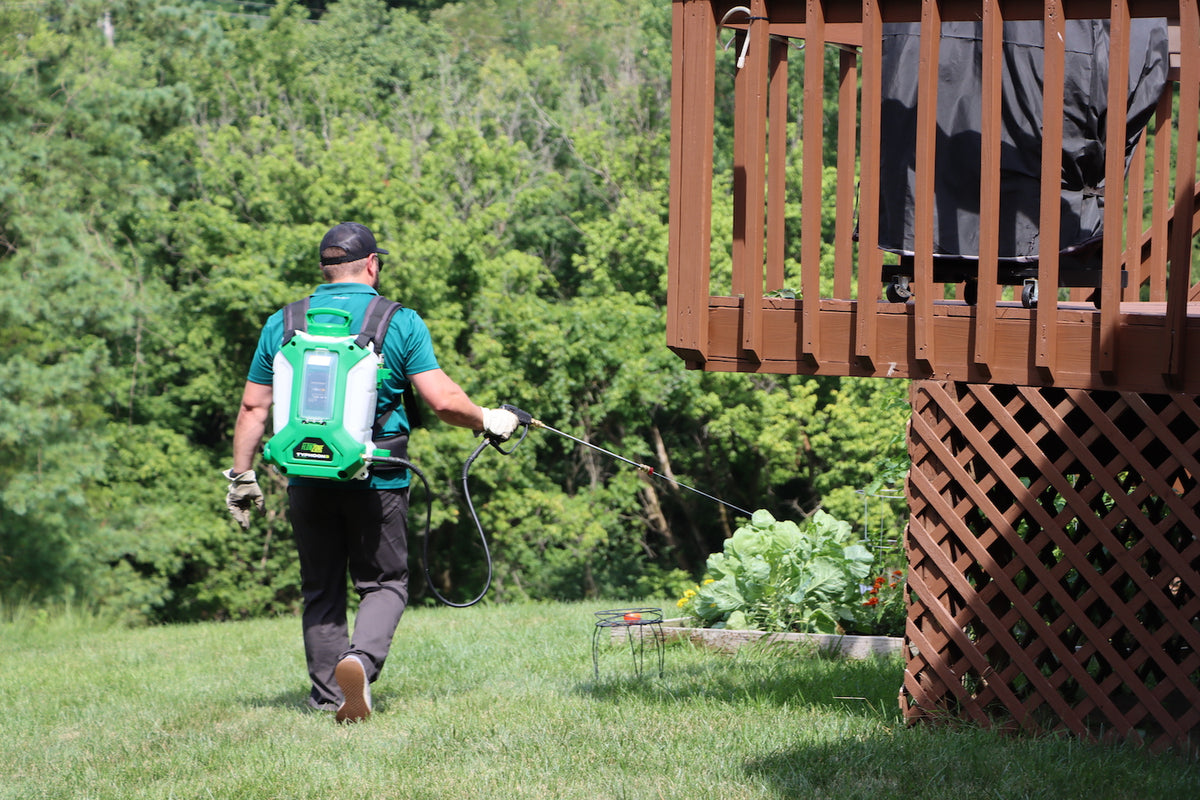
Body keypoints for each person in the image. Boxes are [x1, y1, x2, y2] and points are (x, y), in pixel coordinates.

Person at [221, 221, 521, 723]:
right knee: (384, 583)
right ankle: (360, 659)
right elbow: (443, 400)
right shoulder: (397, 321)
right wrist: (490, 420)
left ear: (325, 269)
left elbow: (254, 408)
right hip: (375, 475)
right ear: (373, 264)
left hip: (306, 476)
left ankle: (327, 699)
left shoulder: (285, 321)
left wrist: (241, 475)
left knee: (321, 587)